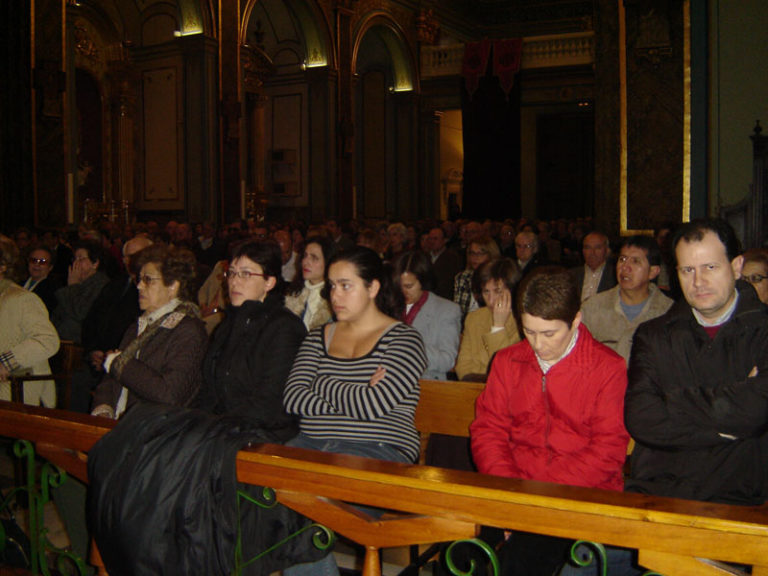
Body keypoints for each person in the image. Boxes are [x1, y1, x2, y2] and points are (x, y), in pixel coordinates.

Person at [470, 266, 629, 576]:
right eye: (529, 331)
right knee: (464, 554)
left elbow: (607, 452)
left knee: (522, 560)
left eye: (549, 333)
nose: (538, 344)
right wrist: (512, 494)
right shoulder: (508, 361)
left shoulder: (606, 368)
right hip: (512, 486)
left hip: (577, 494)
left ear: (576, 320)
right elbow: (489, 430)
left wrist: (534, 497)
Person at [282, 246, 427, 576]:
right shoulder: (319, 336)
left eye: (346, 285)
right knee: (258, 497)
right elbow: (293, 397)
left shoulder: (403, 339)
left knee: (303, 512)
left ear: (373, 288)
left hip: (377, 454)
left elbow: (375, 405)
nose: (335, 295)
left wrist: (321, 382)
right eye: (332, 285)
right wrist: (358, 391)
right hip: (311, 449)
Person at [626, 218, 768, 505]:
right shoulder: (653, 335)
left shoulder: (763, 331)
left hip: (739, 500)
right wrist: (729, 425)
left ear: (737, 266)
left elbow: (758, 410)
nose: (698, 282)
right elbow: (641, 418)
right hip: (659, 494)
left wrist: (671, 401)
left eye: (710, 267)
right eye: (687, 270)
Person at [198, 240, 306, 439]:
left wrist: (216, 427)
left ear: (269, 282)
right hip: (224, 427)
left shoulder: (284, 328)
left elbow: (271, 403)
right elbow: (208, 388)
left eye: (246, 274)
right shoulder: (228, 325)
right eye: (231, 273)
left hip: (265, 434)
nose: (234, 282)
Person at [90, 244, 208, 419]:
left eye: (148, 280)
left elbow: (169, 394)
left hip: (156, 430)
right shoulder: (138, 325)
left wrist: (120, 363)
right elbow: (110, 380)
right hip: (120, 424)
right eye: (139, 279)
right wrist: (103, 408)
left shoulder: (188, 330)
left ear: (173, 286)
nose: (139, 286)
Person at [581, 235, 673, 363]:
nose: (625, 267)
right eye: (622, 259)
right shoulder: (592, 307)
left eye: (635, 261)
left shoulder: (667, 313)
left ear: (653, 272)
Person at [0, 235, 60, 407]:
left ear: (3, 266)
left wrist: (6, 362)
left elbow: (47, 340)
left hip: (17, 389)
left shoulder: (21, 299)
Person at [393, 250, 460, 380]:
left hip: (426, 383)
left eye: (409, 286)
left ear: (423, 281)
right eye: (399, 286)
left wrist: (410, 347)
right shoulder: (390, 305)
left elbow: (448, 361)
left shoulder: (447, 310)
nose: (403, 292)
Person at [454, 258, 522, 381]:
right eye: (486, 292)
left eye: (498, 292)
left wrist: (498, 327)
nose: (491, 300)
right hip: (473, 388)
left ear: (512, 290)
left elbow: (506, 369)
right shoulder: (474, 318)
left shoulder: (523, 321)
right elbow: (462, 366)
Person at [51, 239, 110, 344]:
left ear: (95, 263)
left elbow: (81, 312)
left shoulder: (101, 284)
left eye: (81, 259)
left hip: (79, 342)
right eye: (74, 259)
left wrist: (73, 286)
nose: (76, 263)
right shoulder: (79, 283)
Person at [285, 235, 338, 331]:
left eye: (314, 258)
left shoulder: (334, 299)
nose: (306, 262)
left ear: (328, 263)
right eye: (305, 256)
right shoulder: (294, 294)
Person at [454, 236, 500, 320]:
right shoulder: (462, 277)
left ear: (491, 254)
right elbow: (458, 311)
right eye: (472, 253)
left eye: (480, 253)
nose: (475, 257)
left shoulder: (499, 278)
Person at [569, 231, 616, 302]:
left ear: (607, 251)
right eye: (588, 248)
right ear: (583, 251)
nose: (592, 253)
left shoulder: (616, 276)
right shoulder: (571, 275)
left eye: (598, 248)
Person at [23, 244, 60, 315]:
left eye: (42, 262)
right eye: (33, 260)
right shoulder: (18, 284)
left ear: (50, 267)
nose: (37, 264)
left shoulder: (53, 290)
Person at [427, 226, 462, 300]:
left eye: (435, 239)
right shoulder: (425, 256)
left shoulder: (452, 258)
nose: (432, 241)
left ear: (445, 240)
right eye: (430, 238)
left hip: (444, 298)